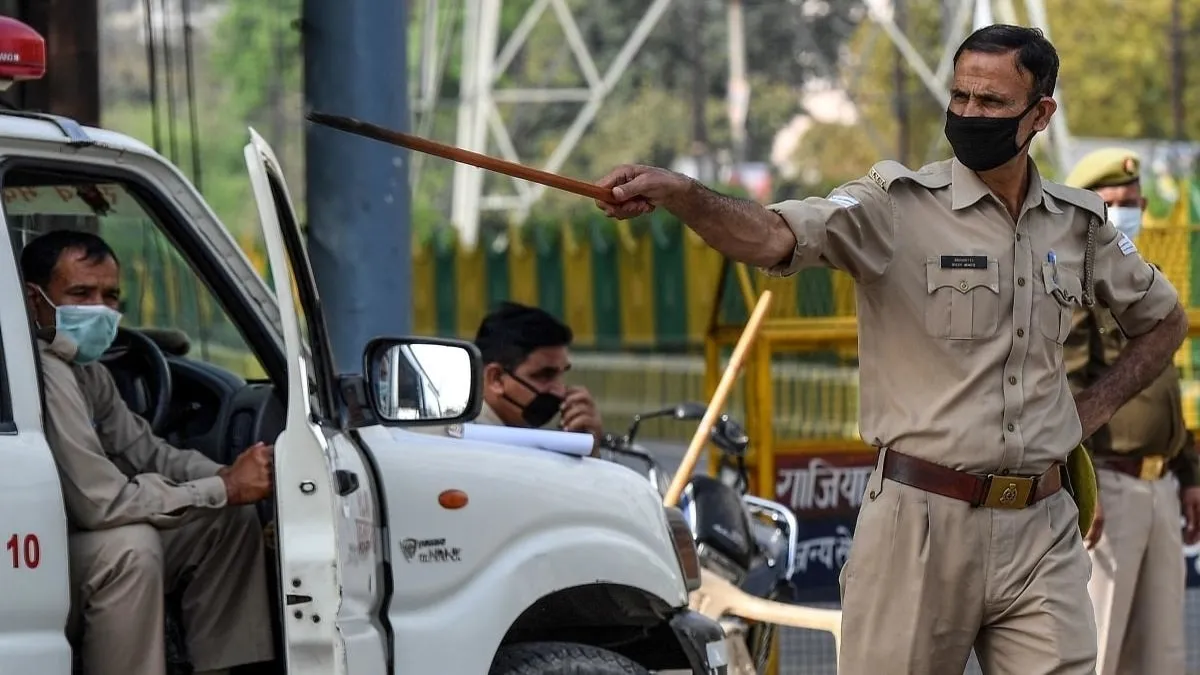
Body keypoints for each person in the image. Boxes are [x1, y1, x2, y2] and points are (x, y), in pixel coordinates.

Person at [593, 24, 1188, 675]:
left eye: (991, 103)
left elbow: (1163, 321)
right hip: (919, 525)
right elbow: (770, 236)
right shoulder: (893, 205)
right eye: (960, 97)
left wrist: (1091, 409)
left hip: (1043, 527)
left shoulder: (1077, 223)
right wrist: (685, 195)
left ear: (1041, 113)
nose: (968, 114)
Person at [20, 230, 276, 675]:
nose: (99, 309)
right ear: (31, 299)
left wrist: (232, 478)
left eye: (110, 296)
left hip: (63, 549)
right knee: (130, 549)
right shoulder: (41, 370)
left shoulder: (83, 368)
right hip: (33, 562)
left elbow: (147, 451)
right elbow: (101, 503)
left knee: (227, 521)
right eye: (81, 293)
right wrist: (220, 487)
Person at [1062, 147, 1200, 675]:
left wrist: (1187, 474)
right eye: (1112, 201)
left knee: (1163, 656)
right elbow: (1070, 391)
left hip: (1160, 483)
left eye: (1132, 200)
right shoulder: (1075, 282)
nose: (1125, 210)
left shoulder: (1147, 278)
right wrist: (1084, 486)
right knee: (1099, 652)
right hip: (1110, 489)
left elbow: (1163, 389)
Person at [470, 301, 604, 455]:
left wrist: (587, 450)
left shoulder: (522, 435)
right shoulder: (458, 441)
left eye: (561, 374)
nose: (560, 391)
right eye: (545, 375)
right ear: (496, 379)